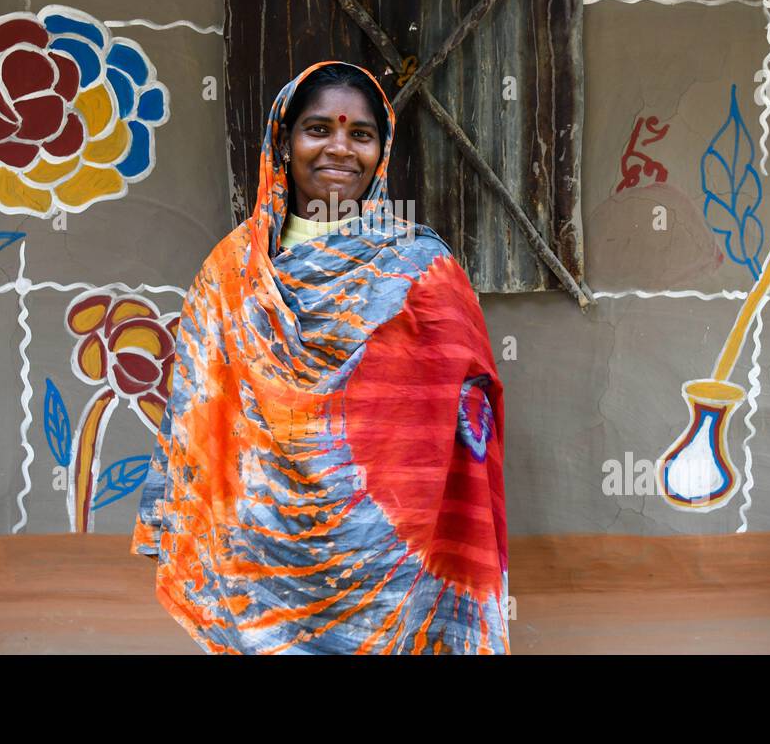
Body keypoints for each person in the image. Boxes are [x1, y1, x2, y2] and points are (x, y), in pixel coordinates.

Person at [131, 60, 509, 654]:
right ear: (284, 140)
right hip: (257, 546)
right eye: (318, 129)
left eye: (360, 134)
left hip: (383, 553)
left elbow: (466, 408)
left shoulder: (421, 266)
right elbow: (197, 409)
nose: (339, 148)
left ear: (382, 151)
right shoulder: (233, 270)